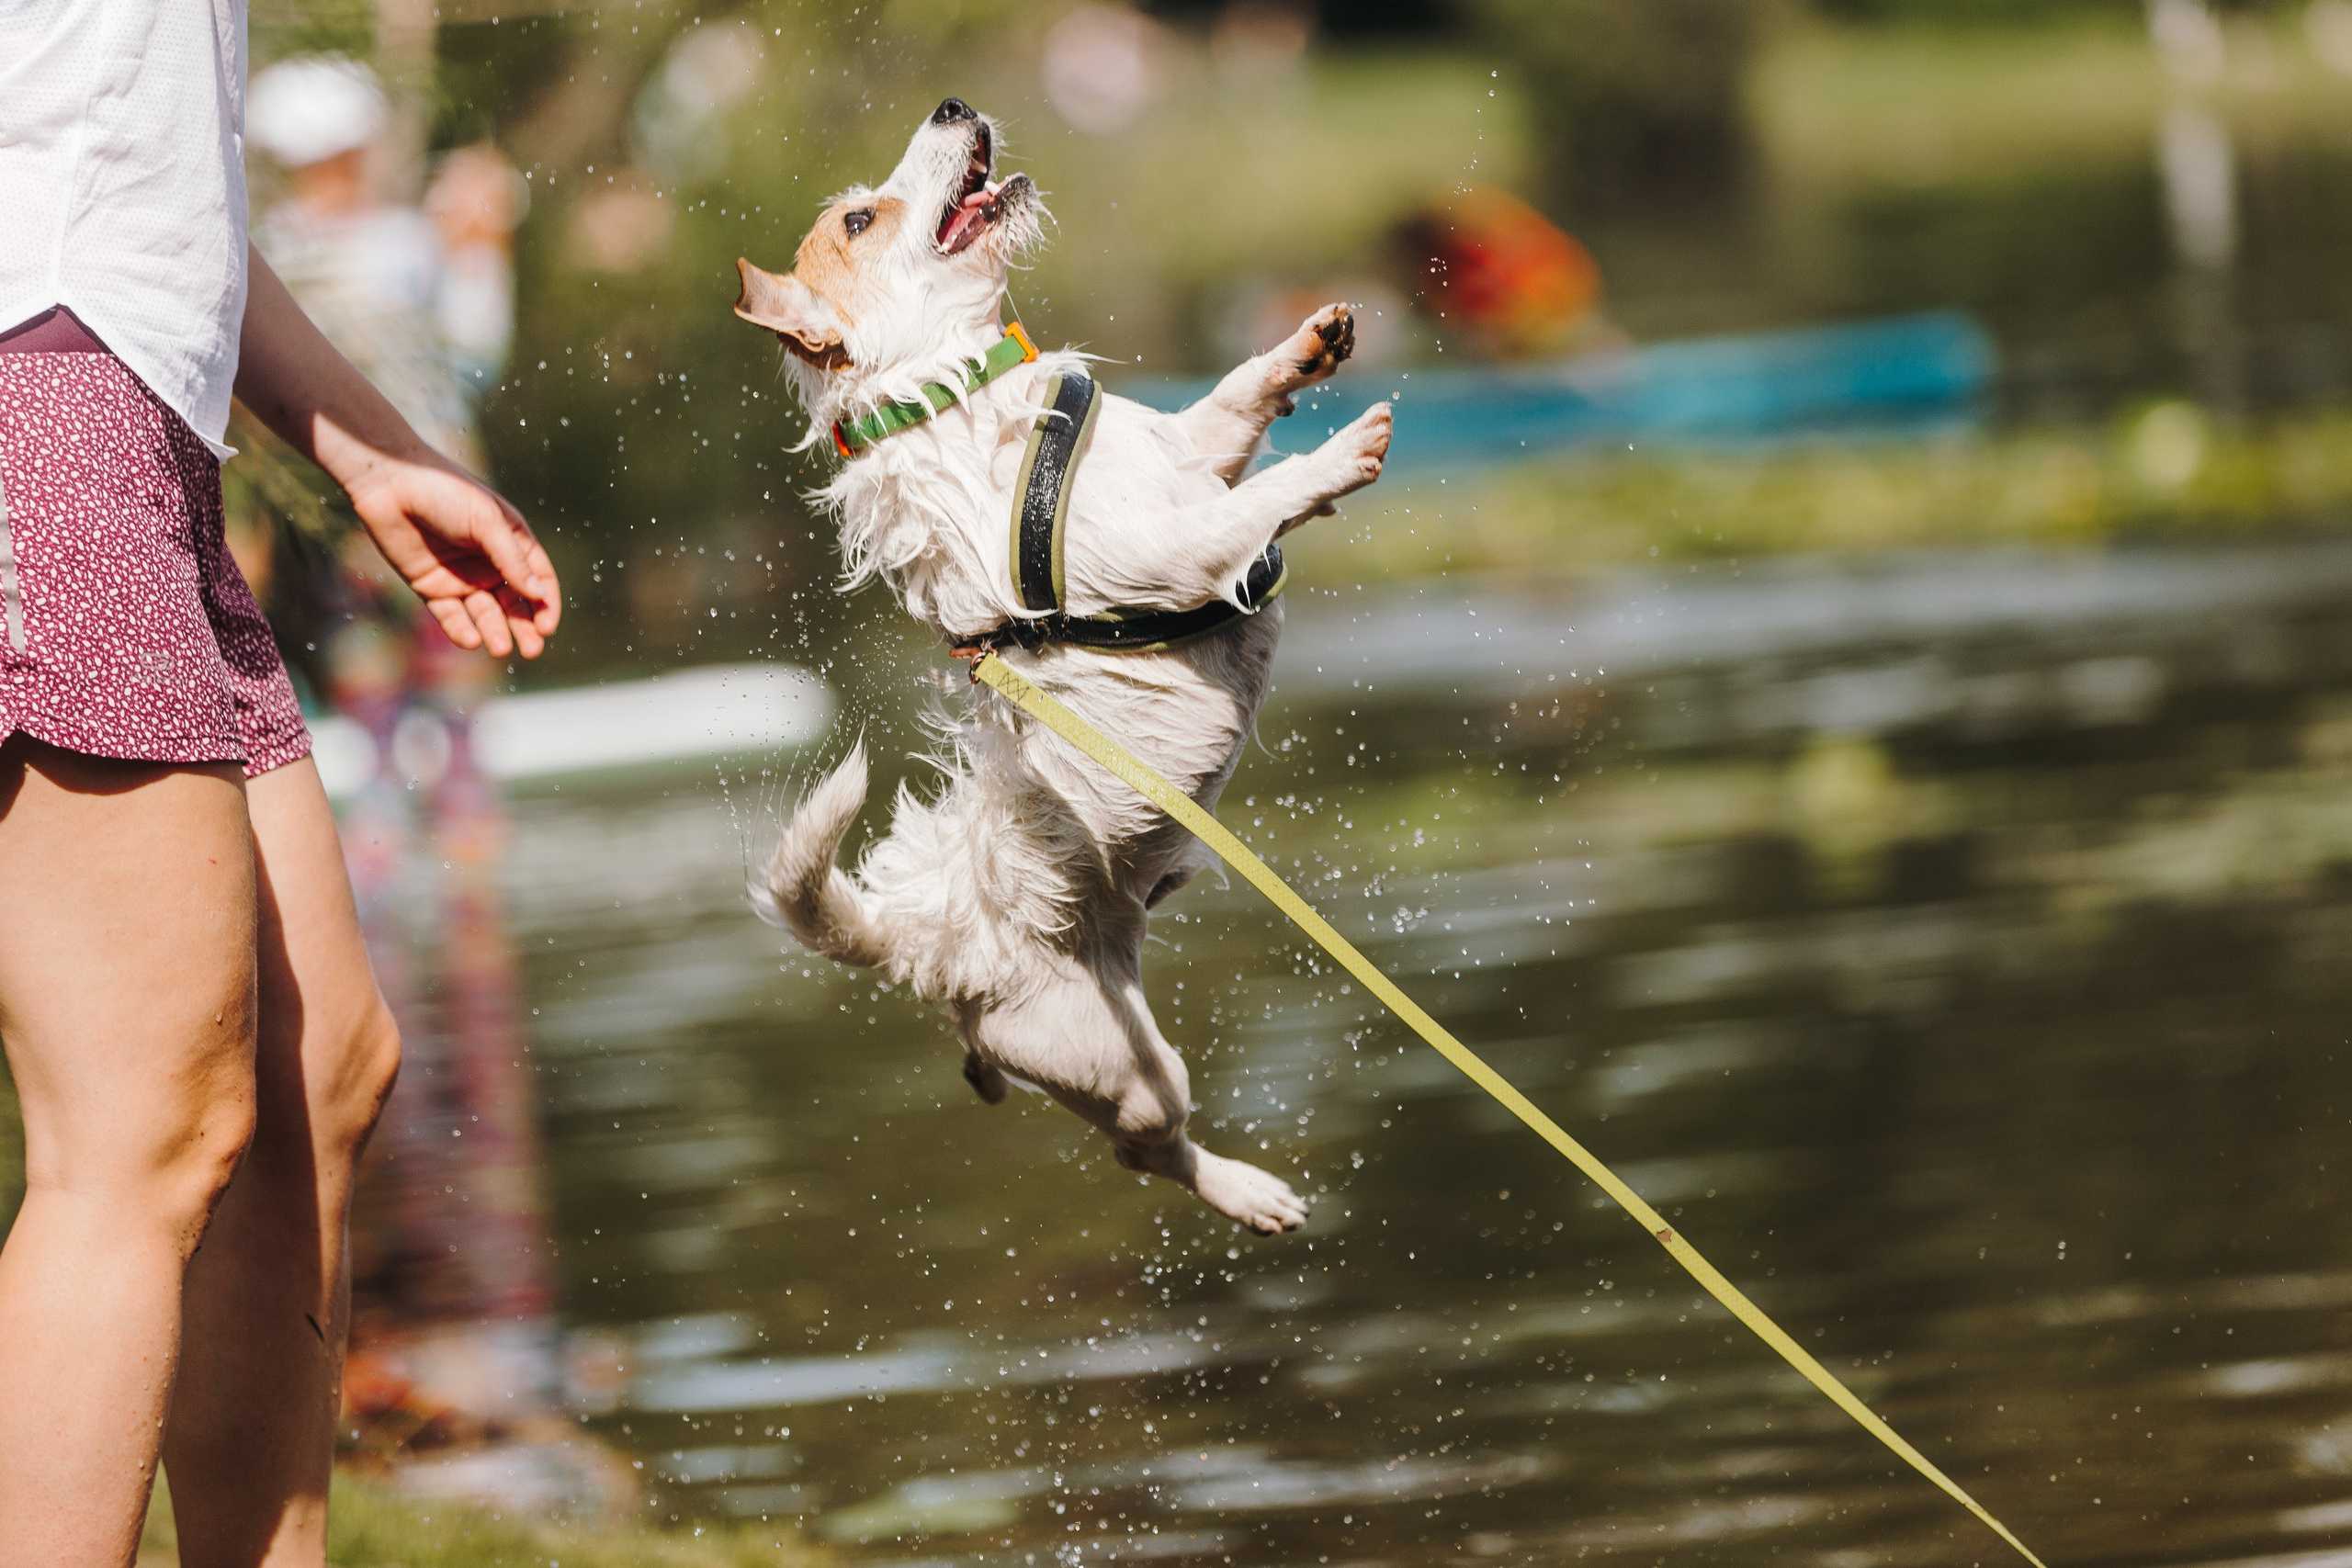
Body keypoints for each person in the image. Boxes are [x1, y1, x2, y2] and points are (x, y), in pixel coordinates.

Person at [0, 8, 559, 1567]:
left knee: (322, 1071)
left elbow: (145, 168)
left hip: (130, 400)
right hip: (36, 399)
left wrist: (370, 454)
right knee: (141, 1133)